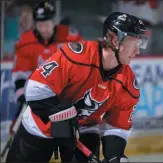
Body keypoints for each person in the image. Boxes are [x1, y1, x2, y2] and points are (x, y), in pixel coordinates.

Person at [6, 12, 148, 163]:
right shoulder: (75, 56)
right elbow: (35, 87)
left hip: (84, 130)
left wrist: (114, 155)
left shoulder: (128, 82)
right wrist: (57, 113)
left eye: (140, 44)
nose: (137, 51)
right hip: (41, 126)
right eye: (134, 44)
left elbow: (117, 125)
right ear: (114, 39)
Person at [9, 0, 82, 136]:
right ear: (35, 24)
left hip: (64, 90)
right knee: (20, 128)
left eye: (47, 24)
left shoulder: (69, 37)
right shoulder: (25, 42)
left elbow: (82, 63)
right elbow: (20, 73)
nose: (45, 29)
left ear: (54, 22)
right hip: (38, 91)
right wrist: (23, 96)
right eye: (40, 25)